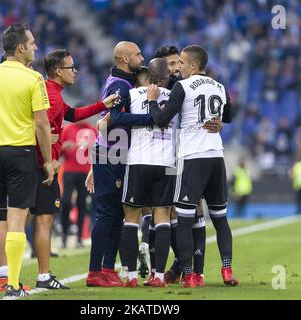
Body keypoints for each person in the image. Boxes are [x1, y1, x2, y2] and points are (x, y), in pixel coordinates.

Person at [0, 23, 54, 298]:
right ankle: (13, 286)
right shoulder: (34, 79)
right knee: (15, 220)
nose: (36, 48)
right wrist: (48, 161)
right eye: (33, 43)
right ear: (21, 47)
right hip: (21, 154)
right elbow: (41, 125)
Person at [147, 45, 238, 287]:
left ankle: (189, 274)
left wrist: (153, 102)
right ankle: (227, 270)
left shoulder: (182, 86)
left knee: (185, 220)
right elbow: (228, 116)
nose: (179, 68)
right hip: (216, 157)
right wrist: (216, 121)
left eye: (182, 63)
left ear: (194, 66)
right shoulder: (219, 86)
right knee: (220, 219)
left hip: (191, 157)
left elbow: (162, 120)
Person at [29, 49, 118, 290]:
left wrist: (102, 104)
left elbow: (72, 114)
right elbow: (40, 126)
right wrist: (49, 157)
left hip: (35, 164)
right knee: (42, 220)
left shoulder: (52, 92)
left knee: (22, 219)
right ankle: (42, 276)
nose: (75, 71)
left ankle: (10, 275)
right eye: (71, 67)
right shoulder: (52, 96)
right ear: (58, 71)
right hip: (40, 167)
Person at [85, 41, 153, 287]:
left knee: (116, 214)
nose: (141, 57)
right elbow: (113, 117)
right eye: (137, 54)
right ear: (125, 58)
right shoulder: (119, 85)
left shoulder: (123, 82)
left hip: (116, 153)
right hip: (111, 154)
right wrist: (150, 118)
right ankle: (95, 271)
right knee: (107, 213)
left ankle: (106, 268)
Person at [119, 59, 175, 288]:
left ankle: (131, 276)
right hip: (166, 163)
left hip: (138, 161)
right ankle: (159, 276)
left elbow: (117, 119)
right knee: (162, 218)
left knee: (131, 219)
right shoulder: (175, 96)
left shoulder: (132, 95)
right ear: (167, 76)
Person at [60, 121, 97, 249]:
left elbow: (101, 149)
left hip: (86, 172)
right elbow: (59, 151)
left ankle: (80, 237)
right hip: (69, 171)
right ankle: (64, 234)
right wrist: (64, 146)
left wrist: (91, 145)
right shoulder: (67, 129)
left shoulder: (92, 129)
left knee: (82, 204)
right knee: (65, 201)